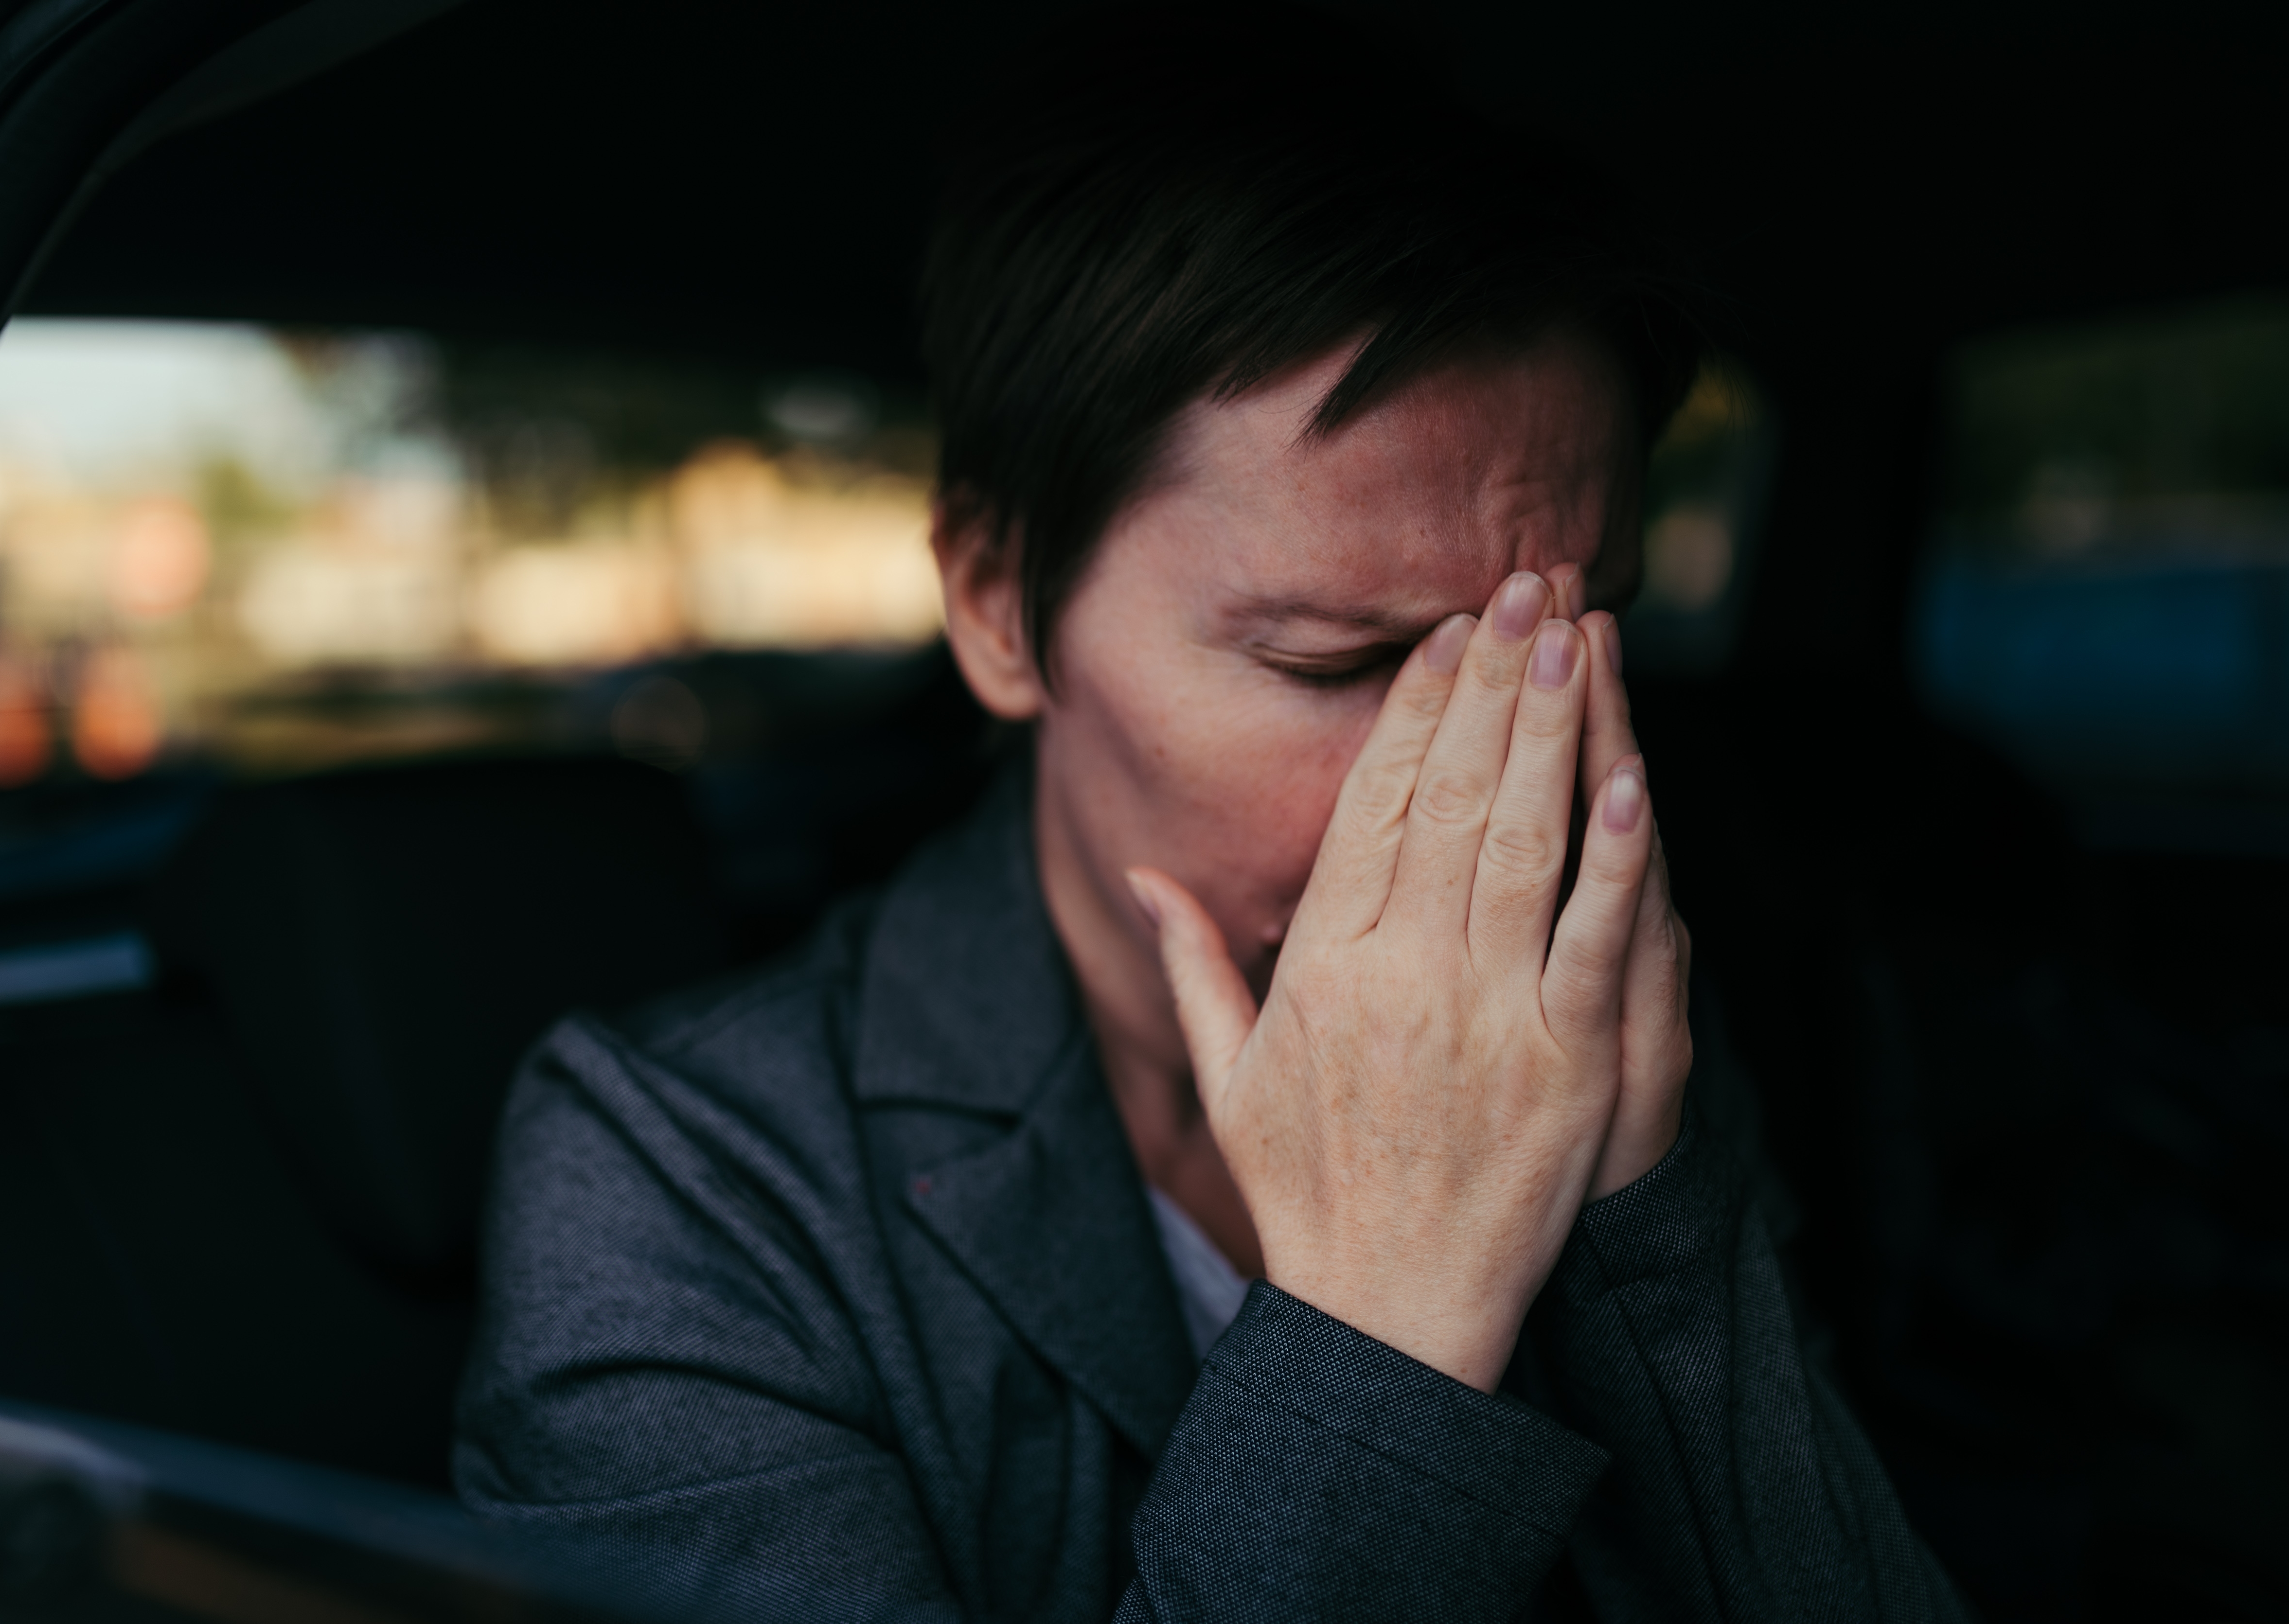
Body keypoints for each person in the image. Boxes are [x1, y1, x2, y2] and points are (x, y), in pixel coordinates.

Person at [453, 11, 1970, 1620]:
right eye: (1331, 662)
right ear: (994, 603)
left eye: (1557, 657)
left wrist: (1649, 1234)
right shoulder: (683, 1181)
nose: (1477, 789)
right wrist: (1382, 1329)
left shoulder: (1596, 1016)